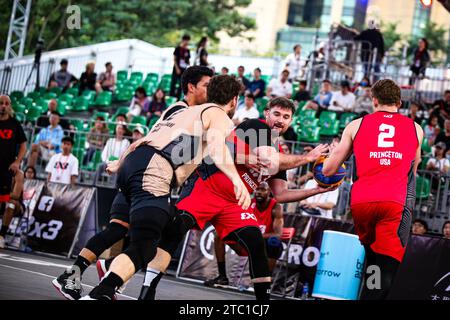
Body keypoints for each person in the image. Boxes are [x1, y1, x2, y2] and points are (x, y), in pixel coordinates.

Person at [137, 98, 331, 301]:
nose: (280, 120)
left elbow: (281, 194)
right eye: (276, 114)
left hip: (234, 203)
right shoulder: (257, 127)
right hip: (209, 187)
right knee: (175, 230)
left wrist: (315, 190)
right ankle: (147, 289)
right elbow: (267, 159)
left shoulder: (280, 153)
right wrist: (307, 158)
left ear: (291, 121)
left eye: (286, 117)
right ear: (266, 114)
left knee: (256, 243)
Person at [80, 75, 251, 301]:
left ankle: (109, 275)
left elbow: (140, 141)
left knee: (151, 235)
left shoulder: (183, 111)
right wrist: (237, 181)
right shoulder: (219, 114)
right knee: (145, 244)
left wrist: (118, 163)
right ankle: (102, 287)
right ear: (234, 100)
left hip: (133, 166)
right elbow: (218, 145)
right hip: (154, 172)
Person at [52, 65, 213, 300]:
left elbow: (151, 141)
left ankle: (84, 273)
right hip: (148, 176)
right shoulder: (181, 110)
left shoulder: (186, 115)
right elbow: (150, 140)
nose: (211, 90)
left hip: (138, 174)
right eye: (207, 85)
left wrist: (121, 162)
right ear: (191, 87)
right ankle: (106, 276)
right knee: (149, 238)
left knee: (119, 229)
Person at [323, 79, 424, 300]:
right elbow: (413, 172)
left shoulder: (355, 125)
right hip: (393, 203)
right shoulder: (416, 129)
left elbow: (329, 170)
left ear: (374, 100)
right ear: (399, 102)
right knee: (385, 272)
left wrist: (332, 153)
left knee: (373, 263)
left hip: (361, 202)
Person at [205, 182, 284, 287]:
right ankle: (222, 277)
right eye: (257, 189)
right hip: (246, 243)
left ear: (269, 192)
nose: (259, 192)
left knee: (274, 242)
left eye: (263, 190)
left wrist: (256, 236)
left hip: (263, 246)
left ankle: (265, 282)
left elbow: (278, 234)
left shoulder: (276, 207)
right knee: (219, 234)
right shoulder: (248, 203)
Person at [0, 95, 27, 249]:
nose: (3, 106)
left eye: (6, 104)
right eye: (1, 103)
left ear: (10, 106)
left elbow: (23, 145)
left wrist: (17, 161)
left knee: (8, 205)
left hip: (6, 171)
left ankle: (2, 235)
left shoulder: (14, 124)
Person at [170, 34, 191, 99]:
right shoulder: (178, 48)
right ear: (183, 40)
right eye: (186, 40)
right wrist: (177, 68)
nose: (187, 42)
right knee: (174, 82)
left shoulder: (187, 50)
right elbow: (175, 59)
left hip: (184, 68)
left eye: (188, 41)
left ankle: (178, 98)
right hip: (177, 68)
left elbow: (188, 60)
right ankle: (171, 96)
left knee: (181, 83)